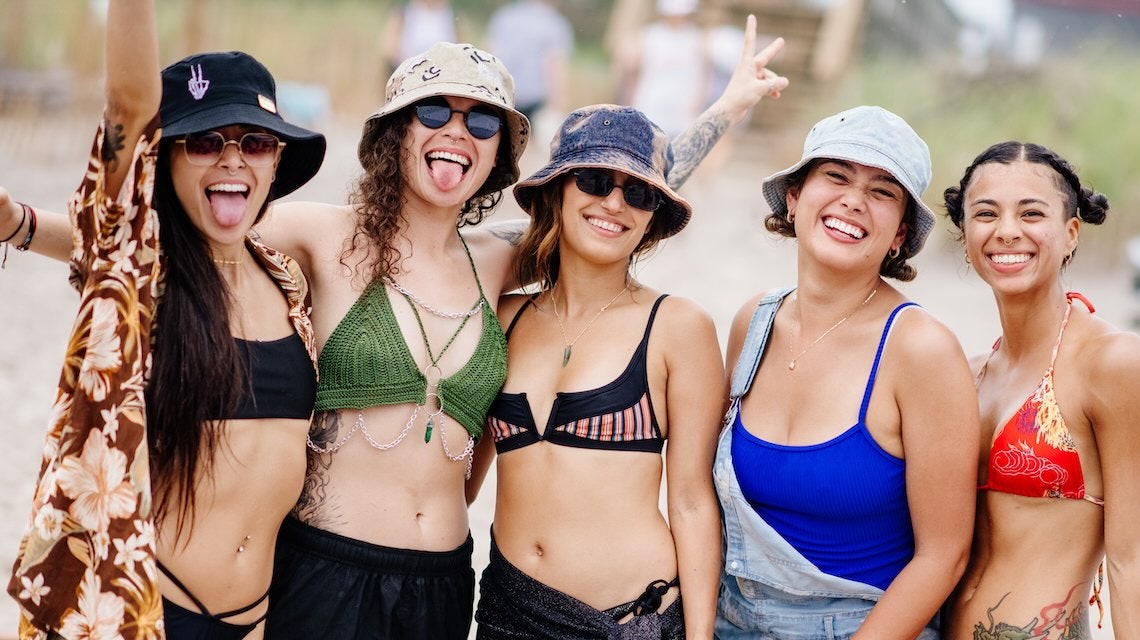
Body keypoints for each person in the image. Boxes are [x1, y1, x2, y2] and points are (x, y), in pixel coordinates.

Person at [10, 16, 786, 638]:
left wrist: (726, 109)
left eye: (482, 120)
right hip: (324, 569)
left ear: (501, 157)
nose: (458, 130)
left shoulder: (500, 264)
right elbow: (155, 243)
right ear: (395, 133)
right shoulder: (319, 235)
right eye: (434, 111)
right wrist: (17, 224)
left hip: (448, 583)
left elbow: (610, 199)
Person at [2, 0, 326, 638]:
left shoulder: (289, 282)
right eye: (204, 141)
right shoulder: (145, 274)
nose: (232, 160)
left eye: (255, 142)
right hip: (145, 614)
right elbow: (128, 104)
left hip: (261, 618)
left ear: (276, 161)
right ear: (165, 162)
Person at [714, 106, 979, 638]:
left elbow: (945, 555)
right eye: (836, 176)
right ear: (794, 199)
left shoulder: (921, 350)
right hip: (732, 621)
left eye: (883, 191)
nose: (854, 199)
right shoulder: (753, 324)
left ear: (900, 233)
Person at [472, 105, 723, 638]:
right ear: (557, 190)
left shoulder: (676, 326)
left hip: (624, 619)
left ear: (653, 215)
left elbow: (693, 500)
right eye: (593, 180)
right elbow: (462, 476)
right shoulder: (505, 316)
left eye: (638, 193)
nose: (614, 203)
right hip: (508, 611)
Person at [941, 142, 1140, 639]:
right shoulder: (971, 373)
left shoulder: (1110, 362)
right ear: (965, 235)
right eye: (985, 213)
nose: (1006, 230)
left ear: (1070, 233)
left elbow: (1132, 560)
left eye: (1031, 213)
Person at [616, 0, 710, 138]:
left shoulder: (697, 39)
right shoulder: (649, 35)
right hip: (649, 105)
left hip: (682, 111)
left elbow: (703, 75)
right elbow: (633, 74)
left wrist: (698, 103)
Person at [485, 0, 573, 134]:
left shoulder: (505, 16)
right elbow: (555, 69)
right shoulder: (555, 24)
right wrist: (558, 109)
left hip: (503, 96)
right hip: (536, 102)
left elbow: (490, 58)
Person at [382, 0, 458, 76]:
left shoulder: (453, 16)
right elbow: (388, 49)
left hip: (441, 75)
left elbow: (458, 51)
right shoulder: (403, 12)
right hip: (408, 74)